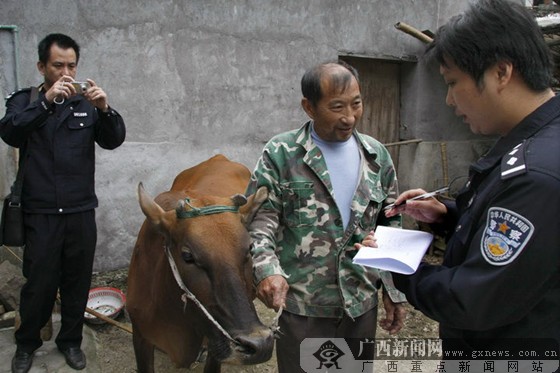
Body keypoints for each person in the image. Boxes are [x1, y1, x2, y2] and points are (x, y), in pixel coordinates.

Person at [365, 0, 560, 359]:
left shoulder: (537, 174)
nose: (450, 100)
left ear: (501, 72)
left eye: (453, 83)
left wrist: (401, 266)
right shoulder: (535, 143)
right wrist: (447, 215)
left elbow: (471, 299)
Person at [246, 61, 407, 373]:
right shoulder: (281, 153)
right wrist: (266, 270)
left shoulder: (376, 156)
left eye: (356, 104)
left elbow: (390, 224)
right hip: (304, 308)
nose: (349, 117)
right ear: (309, 107)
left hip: (360, 304)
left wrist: (392, 290)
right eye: (337, 107)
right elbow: (260, 221)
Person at [0, 33, 126, 373]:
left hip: (80, 210)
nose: (66, 72)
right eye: (58, 66)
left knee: (76, 282)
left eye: (72, 65)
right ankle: (27, 344)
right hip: (40, 213)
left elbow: (113, 140)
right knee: (39, 284)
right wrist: (45, 102)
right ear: (42, 67)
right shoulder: (24, 101)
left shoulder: (86, 103)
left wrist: (105, 109)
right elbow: (10, 131)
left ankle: (70, 342)